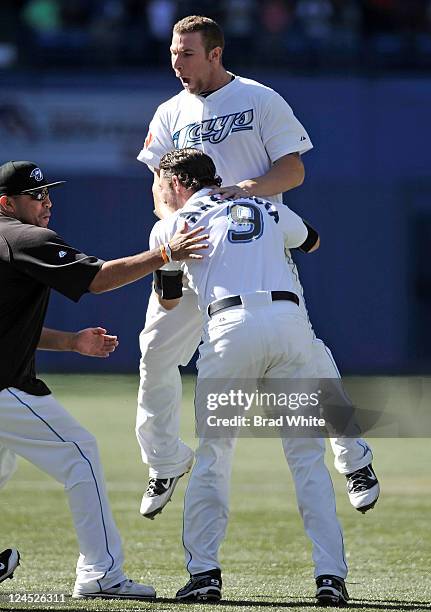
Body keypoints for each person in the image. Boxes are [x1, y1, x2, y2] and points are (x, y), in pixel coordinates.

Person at [136, 14, 379, 520]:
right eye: (173, 53)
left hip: (253, 248)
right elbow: (161, 185)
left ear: (216, 53)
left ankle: (353, 455)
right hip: (191, 251)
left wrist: (244, 190)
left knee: (309, 355)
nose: (177, 63)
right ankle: (164, 461)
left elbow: (294, 168)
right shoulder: (169, 112)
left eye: (187, 53)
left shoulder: (258, 98)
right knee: (155, 351)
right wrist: (174, 225)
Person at [149, 147, 350, 606]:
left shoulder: (171, 226)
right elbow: (313, 240)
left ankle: (204, 574)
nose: (159, 192)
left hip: (229, 332)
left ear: (177, 184)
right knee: (306, 459)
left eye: (162, 184)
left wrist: (173, 250)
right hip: (288, 326)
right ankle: (330, 578)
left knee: (215, 454)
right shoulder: (264, 205)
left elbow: (168, 301)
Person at [0, 160, 207, 600]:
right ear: (7, 203)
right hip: (4, 387)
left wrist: (71, 342)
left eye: (48, 193)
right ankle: (101, 574)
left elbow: (10, 324)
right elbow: (96, 280)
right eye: (35, 196)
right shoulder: (21, 237)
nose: (46, 202)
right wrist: (165, 253)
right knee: (80, 455)